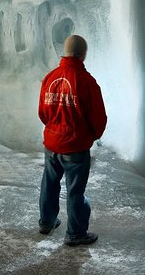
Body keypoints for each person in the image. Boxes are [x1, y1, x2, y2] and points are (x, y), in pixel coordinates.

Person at [38, 34, 107, 246]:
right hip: (76, 147)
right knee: (75, 191)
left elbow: (42, 112)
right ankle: (75, 233)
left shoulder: (51, 78)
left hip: (52, 145)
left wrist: (53, 129)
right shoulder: (87, 82)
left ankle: (46, 222)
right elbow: (98, 118)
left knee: (49, 184)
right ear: (83, 54)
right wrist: (93, 136)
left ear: (65, 52)